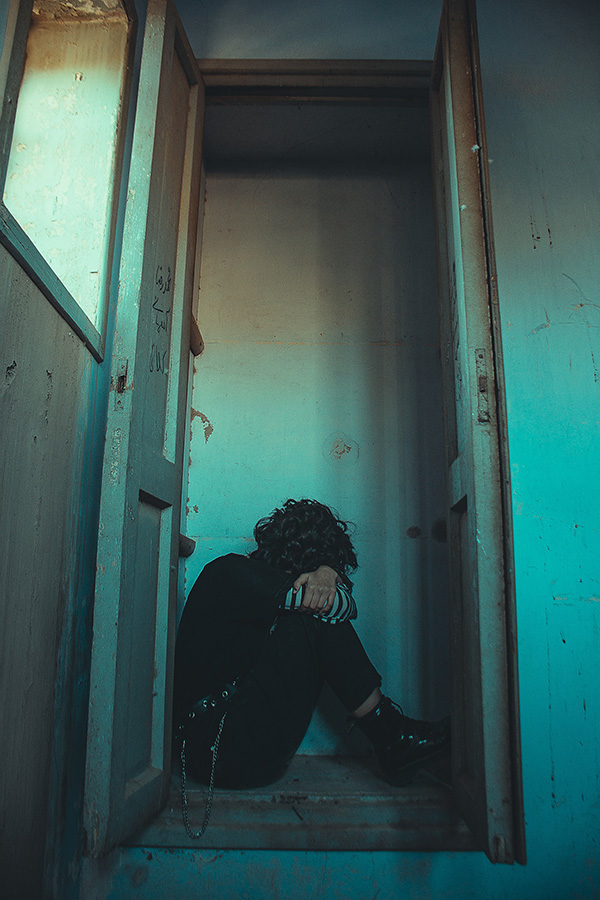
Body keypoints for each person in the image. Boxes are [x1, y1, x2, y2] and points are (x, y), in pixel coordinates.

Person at [173, 499, 449, 802]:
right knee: (315, 619)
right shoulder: (229, 572)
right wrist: (326, 575)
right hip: (209, 751)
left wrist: (327, 573)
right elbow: (331, 606)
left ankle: (393, 737)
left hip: (256, 760)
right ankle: (394, 738)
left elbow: (341, 607)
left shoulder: (278, 603)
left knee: (317, 618)